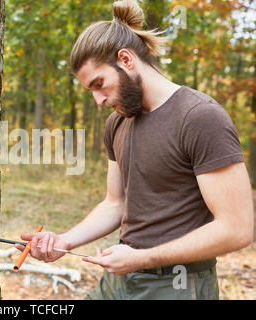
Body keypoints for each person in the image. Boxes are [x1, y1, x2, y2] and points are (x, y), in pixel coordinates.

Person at [15, 0, 254, 300]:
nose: (98, 100)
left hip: (177, 285)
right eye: (91, 90)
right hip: (120, 280)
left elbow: (238, 228)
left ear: (126, 60)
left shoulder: (200, 117)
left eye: (99, 84)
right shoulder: (118, 123)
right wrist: (64, 241)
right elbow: (114, 204)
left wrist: (142, 258)